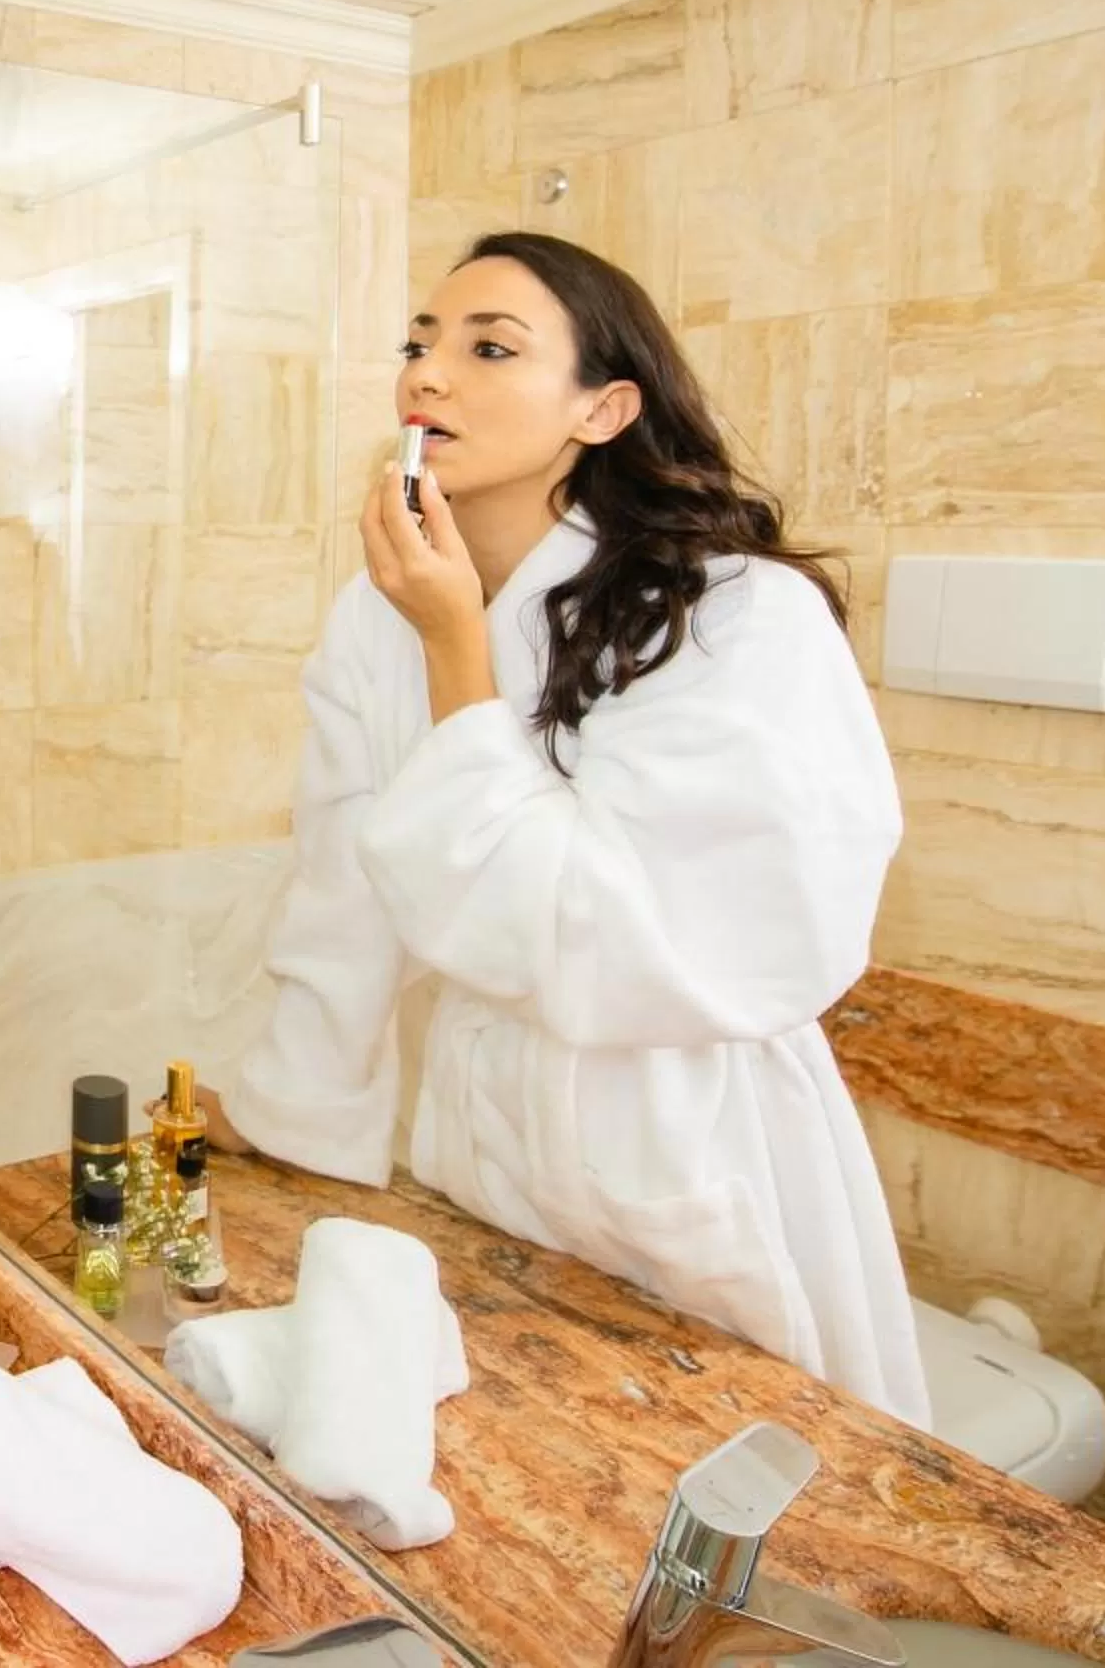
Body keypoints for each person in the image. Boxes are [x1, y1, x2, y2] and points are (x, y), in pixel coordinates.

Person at [206, 231, 928, 1427]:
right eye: (418, 345)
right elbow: (346, 888)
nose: (426, 376)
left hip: (682, 1134)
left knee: (736, 1482)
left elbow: (599, 930)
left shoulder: (734, 617)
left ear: (603, 409)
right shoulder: (378, 617)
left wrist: (456, 646)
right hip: (482, 1137)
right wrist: (289, 1115)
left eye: (490, 349)